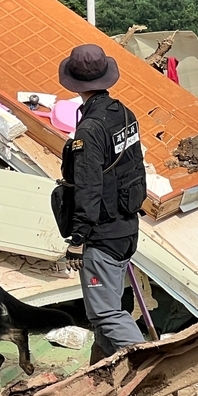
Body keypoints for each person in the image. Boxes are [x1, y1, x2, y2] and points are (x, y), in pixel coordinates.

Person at [57, 44, 148, 363]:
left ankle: (147, 369)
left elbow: (88, 188)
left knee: (107, 314)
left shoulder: (89, 130)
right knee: (102, 313)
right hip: (127, 227)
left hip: (103, 235)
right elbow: (135, 166)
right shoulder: (124, 113)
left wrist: (78, 240)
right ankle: (98, 379)